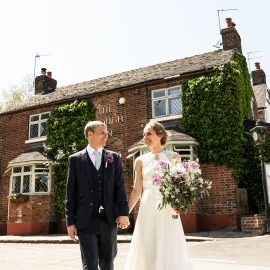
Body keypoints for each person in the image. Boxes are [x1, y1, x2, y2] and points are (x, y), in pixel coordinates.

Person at [124, 121, 193, 270]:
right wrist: (125, 213)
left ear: (160, 135)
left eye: (149, 133)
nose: (145, 137)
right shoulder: (140, 160)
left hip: (168, 207)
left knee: (168, 243)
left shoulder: (173, 157)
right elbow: (137, 190)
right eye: (144, 134)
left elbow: (179, 185)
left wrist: (178, 203)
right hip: (147, 206)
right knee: (147, 244)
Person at [65, 120, 130, 270]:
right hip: (85, 221)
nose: (106, 136)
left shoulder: (113, 158)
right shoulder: (75, 160)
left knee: (108, 263)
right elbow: (70, 192)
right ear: (90, 134)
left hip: (109, 220)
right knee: (90, 265)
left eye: (107, 133)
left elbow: (120, 187)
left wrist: (123, 213)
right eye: (102, 132)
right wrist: (70, 222)